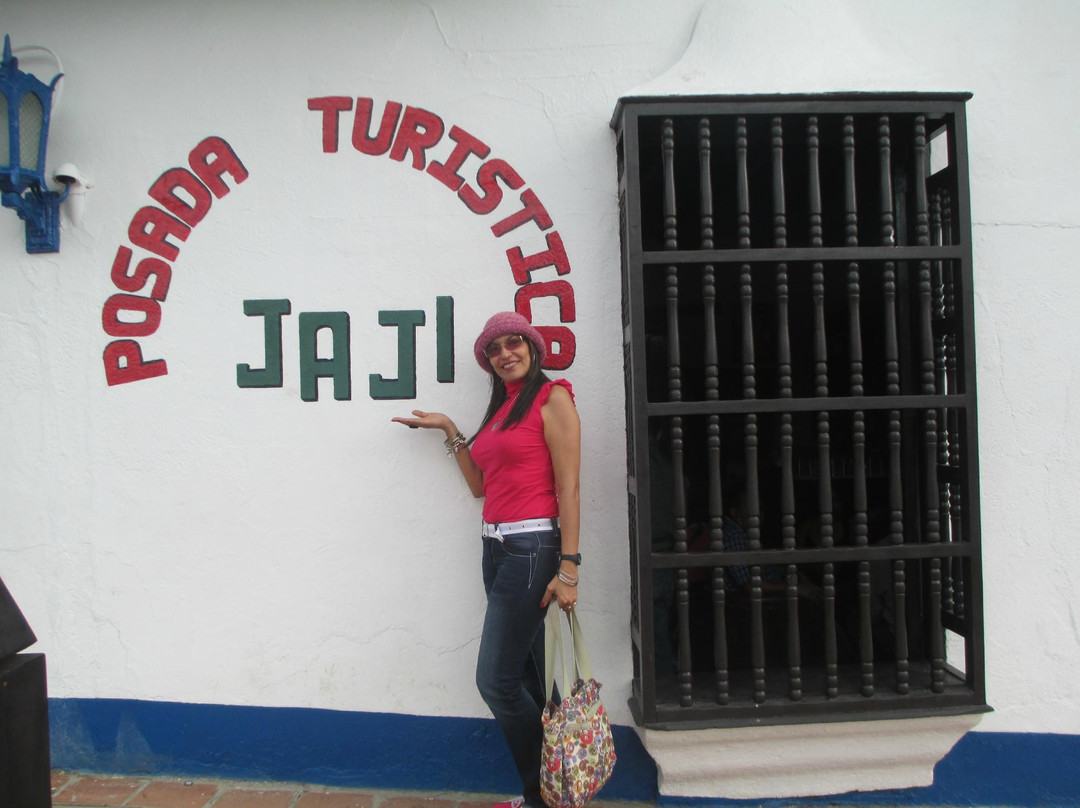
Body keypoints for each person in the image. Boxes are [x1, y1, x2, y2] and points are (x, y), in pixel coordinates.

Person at [392, 311, 581, 808]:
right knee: (526, 678)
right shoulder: (503, 409)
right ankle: (550, 795)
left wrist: (569, 568)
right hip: (495, 549)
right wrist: (450, 429)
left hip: (533, 548)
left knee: (495, 682)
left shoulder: (552, 397)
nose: (504, 354)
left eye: (513, 343)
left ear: (532, 347)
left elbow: (569, 488)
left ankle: (547, 794)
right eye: (493, 350)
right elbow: (480, 486)